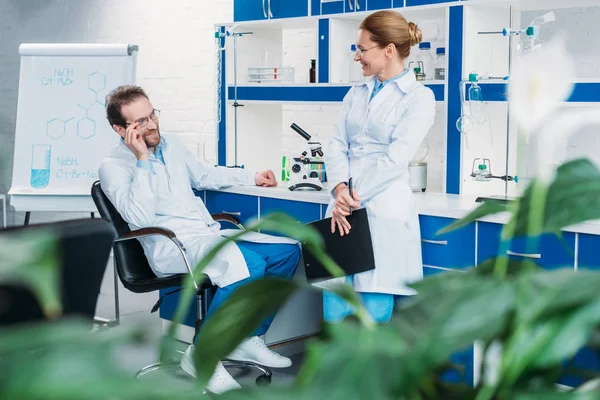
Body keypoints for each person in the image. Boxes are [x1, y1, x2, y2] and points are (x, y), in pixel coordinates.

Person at [99, 85, 301, 394]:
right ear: (120, 129)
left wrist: (251, 176)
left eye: (152, 114)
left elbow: (205, 175)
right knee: (250, 264)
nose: (152, 124)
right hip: (172, 246)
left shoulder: (173, 145)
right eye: (140, 122)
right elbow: (139, 218)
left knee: (287, 252)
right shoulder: (113, 167)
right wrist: (142, 160)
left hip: (205, 234)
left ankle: (247, 338)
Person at [322, 10, 436, 323]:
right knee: (334, 302)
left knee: (373, 307)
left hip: (381, 206)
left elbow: (396, 158)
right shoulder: (355, 93)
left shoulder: (419, 98)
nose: (357, 57)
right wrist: (339, 189)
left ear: (388, 50)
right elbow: (336, 144)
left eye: (362, 50)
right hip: (343, 206)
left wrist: (352, 196)